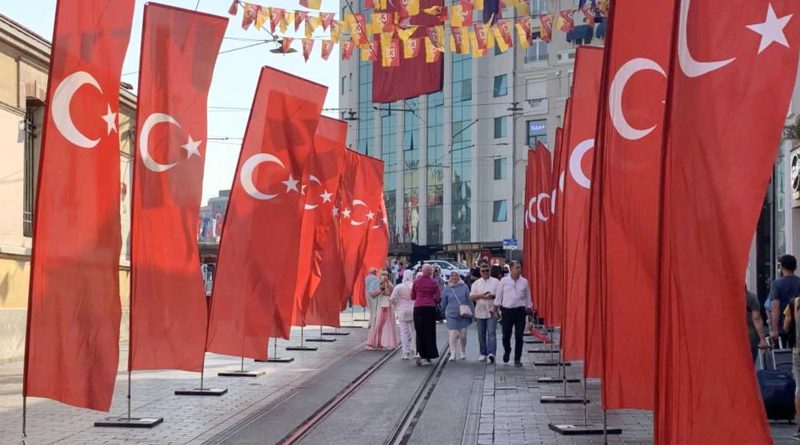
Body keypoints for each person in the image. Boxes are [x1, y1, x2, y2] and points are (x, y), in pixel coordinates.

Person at [494, 261, 532, 368]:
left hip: (520, 311)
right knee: (506, 335)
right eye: (517, 267)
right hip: (507, 311)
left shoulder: (524, 282)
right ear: (511, 269)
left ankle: (517, 359)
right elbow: (498, 297)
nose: (519, 269)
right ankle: (507, 350)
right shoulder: (504, 281)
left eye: (520, 267)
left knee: (519, 336)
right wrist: (495, 310)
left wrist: (529, 310)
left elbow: (528, 297)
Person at [411, 264, 441, 365]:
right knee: (429, 332)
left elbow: (412, 296)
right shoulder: (434, 282)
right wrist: (432, 300)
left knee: (419, 331)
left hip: (418, 307)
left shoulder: (416, 281)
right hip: (429, 308)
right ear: (431, 272)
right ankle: (428, 355)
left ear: (422, 271)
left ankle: (419, 353)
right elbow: (438, 297)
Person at [440, 271, 474, 361]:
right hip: (451, 315)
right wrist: (441, 312)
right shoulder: (447, 289)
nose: (454, 278)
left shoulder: (464, 287)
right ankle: (453, 353)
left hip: (463, 315)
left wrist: (472, 313)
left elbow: (469, 300)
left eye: (456, 276)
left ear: (459, 277)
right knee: (452, 335)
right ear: (450, 278)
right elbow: (443, 303)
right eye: (452, 276)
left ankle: (462, 351)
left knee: (463, 336)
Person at [470, 262, 499, 363]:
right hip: (480, 310)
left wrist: (492, 296)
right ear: (480, 272)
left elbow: (500, 295)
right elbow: (471, 297)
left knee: (491, 333)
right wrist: (482, 295)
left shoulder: (496, 282)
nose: (485, 272)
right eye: (483, 271)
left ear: (490, 270)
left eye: (487, 270)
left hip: (492, 310)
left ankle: (491, 353)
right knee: (481, 334)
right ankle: (483, 353)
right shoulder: (476, 283)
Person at [367, 271, 397, 350]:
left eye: (386, 274)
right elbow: (372, 294)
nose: (385, 276)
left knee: (382, 326)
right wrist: (380, 288)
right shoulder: (376, 283)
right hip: (379, 307)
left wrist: (387, 285)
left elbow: (393, 293)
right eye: (383, 274)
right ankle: (373, 342)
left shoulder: (389, 284)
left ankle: (380, 343)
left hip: (387, 307)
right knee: (377, 325)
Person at [390, 270, 416, 359]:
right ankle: (415, 349)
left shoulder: (399, 287)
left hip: (402, 310)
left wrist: (396, 306)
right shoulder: (414, 286)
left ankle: (406, 352)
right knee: (414, 331)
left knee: (404, 332)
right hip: (413, 310)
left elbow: (392, 298)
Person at [746, 287, 768, 363]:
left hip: (730, 337)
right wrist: (763, 339)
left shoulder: (725, 297)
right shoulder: (751, 297)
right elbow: (756, 318)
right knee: (749, 363)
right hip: (749, 336)